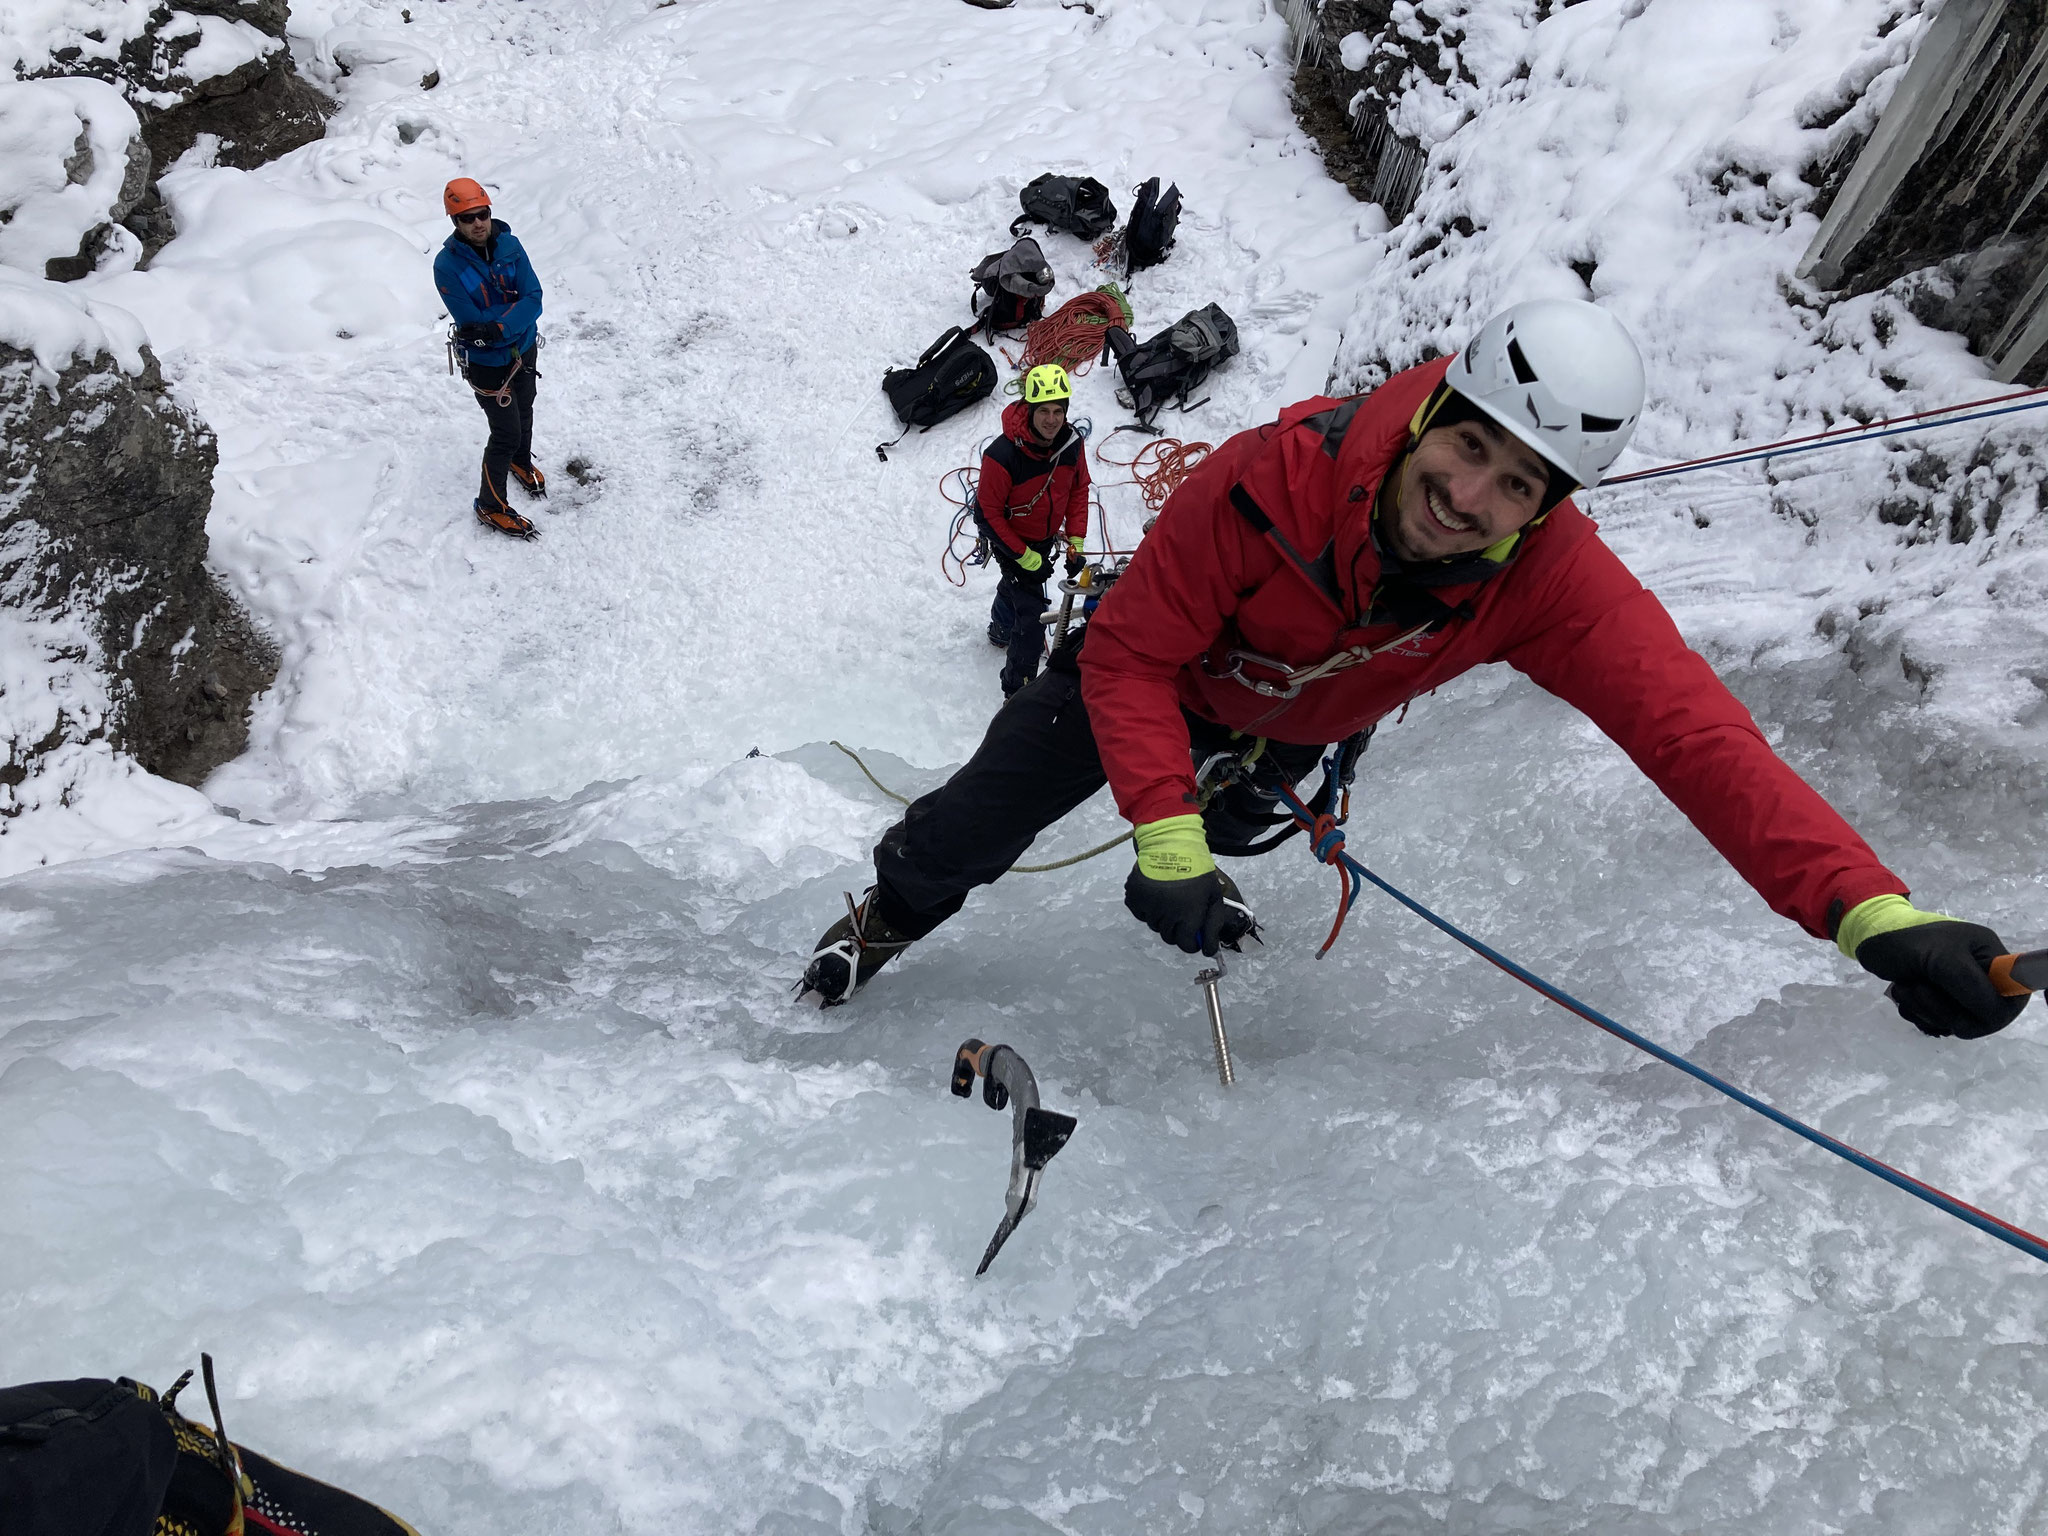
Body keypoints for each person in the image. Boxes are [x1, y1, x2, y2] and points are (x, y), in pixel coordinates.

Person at [800, 298, 2031, 1044]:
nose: (1469, 498)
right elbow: (1126, 663)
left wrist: (1869, 914)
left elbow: (1696, 739)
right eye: (1469, 448)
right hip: (1143, 672)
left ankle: (1192, 866)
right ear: (1434, 409)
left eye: (1518, 484)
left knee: (1234, 825)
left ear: (1549, 504)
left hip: (1290, 722)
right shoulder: (1263, 478)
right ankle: (888, 916)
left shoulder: (1542, 578)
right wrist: (1155, 838)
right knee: (969, 822)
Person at [433, 177, 546, 539]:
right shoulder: (446, 266)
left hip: (522, 349)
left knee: (525, 407)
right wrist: (508, 321)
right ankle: (490, 504)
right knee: (505, 433)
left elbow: (535, 297)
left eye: (482, 214)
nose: (478, 223)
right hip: (487, 365)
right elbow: (473, 323)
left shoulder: (511, 245)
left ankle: (520, 460)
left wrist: (499, 328)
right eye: (467, 218)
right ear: (455, 222)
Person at [978, 363, 1092, 695]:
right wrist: (1023, 556)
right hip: (1010, 540)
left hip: (1043, 540)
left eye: (1059, 411)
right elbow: (986, 514)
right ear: (1029, 409)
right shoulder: (1002, 455)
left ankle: (1000, 628)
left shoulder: (1071, 443)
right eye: (1044, 410)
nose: (1052, 419)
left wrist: (1076, 540)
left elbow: (1078, 489)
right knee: (1030, 621)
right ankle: (1017, 692)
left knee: (1015, 590)